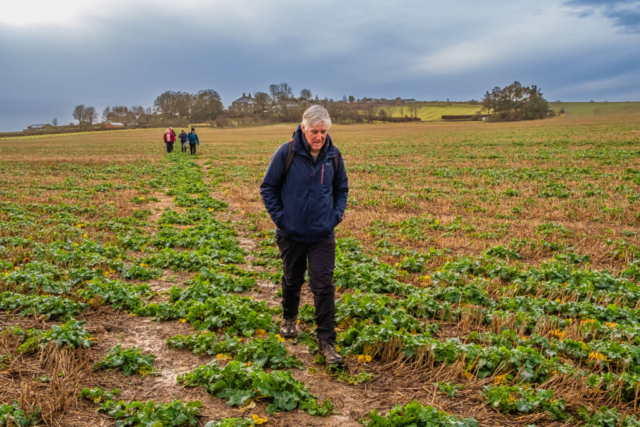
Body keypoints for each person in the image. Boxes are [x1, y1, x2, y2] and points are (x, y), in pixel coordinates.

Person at [260, 105, 348, 365]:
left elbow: (341, 188)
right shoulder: (286, 153)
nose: (319, 136)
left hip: (322, 234)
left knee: (324, 286)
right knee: (292, 279)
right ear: (303, 128)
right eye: (314, 132)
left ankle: (326, 341)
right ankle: (289, 318)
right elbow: (268, 187)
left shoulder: (333, 156)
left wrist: (334, 216)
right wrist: (282, 218)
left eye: (323, 131)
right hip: (291, 233)